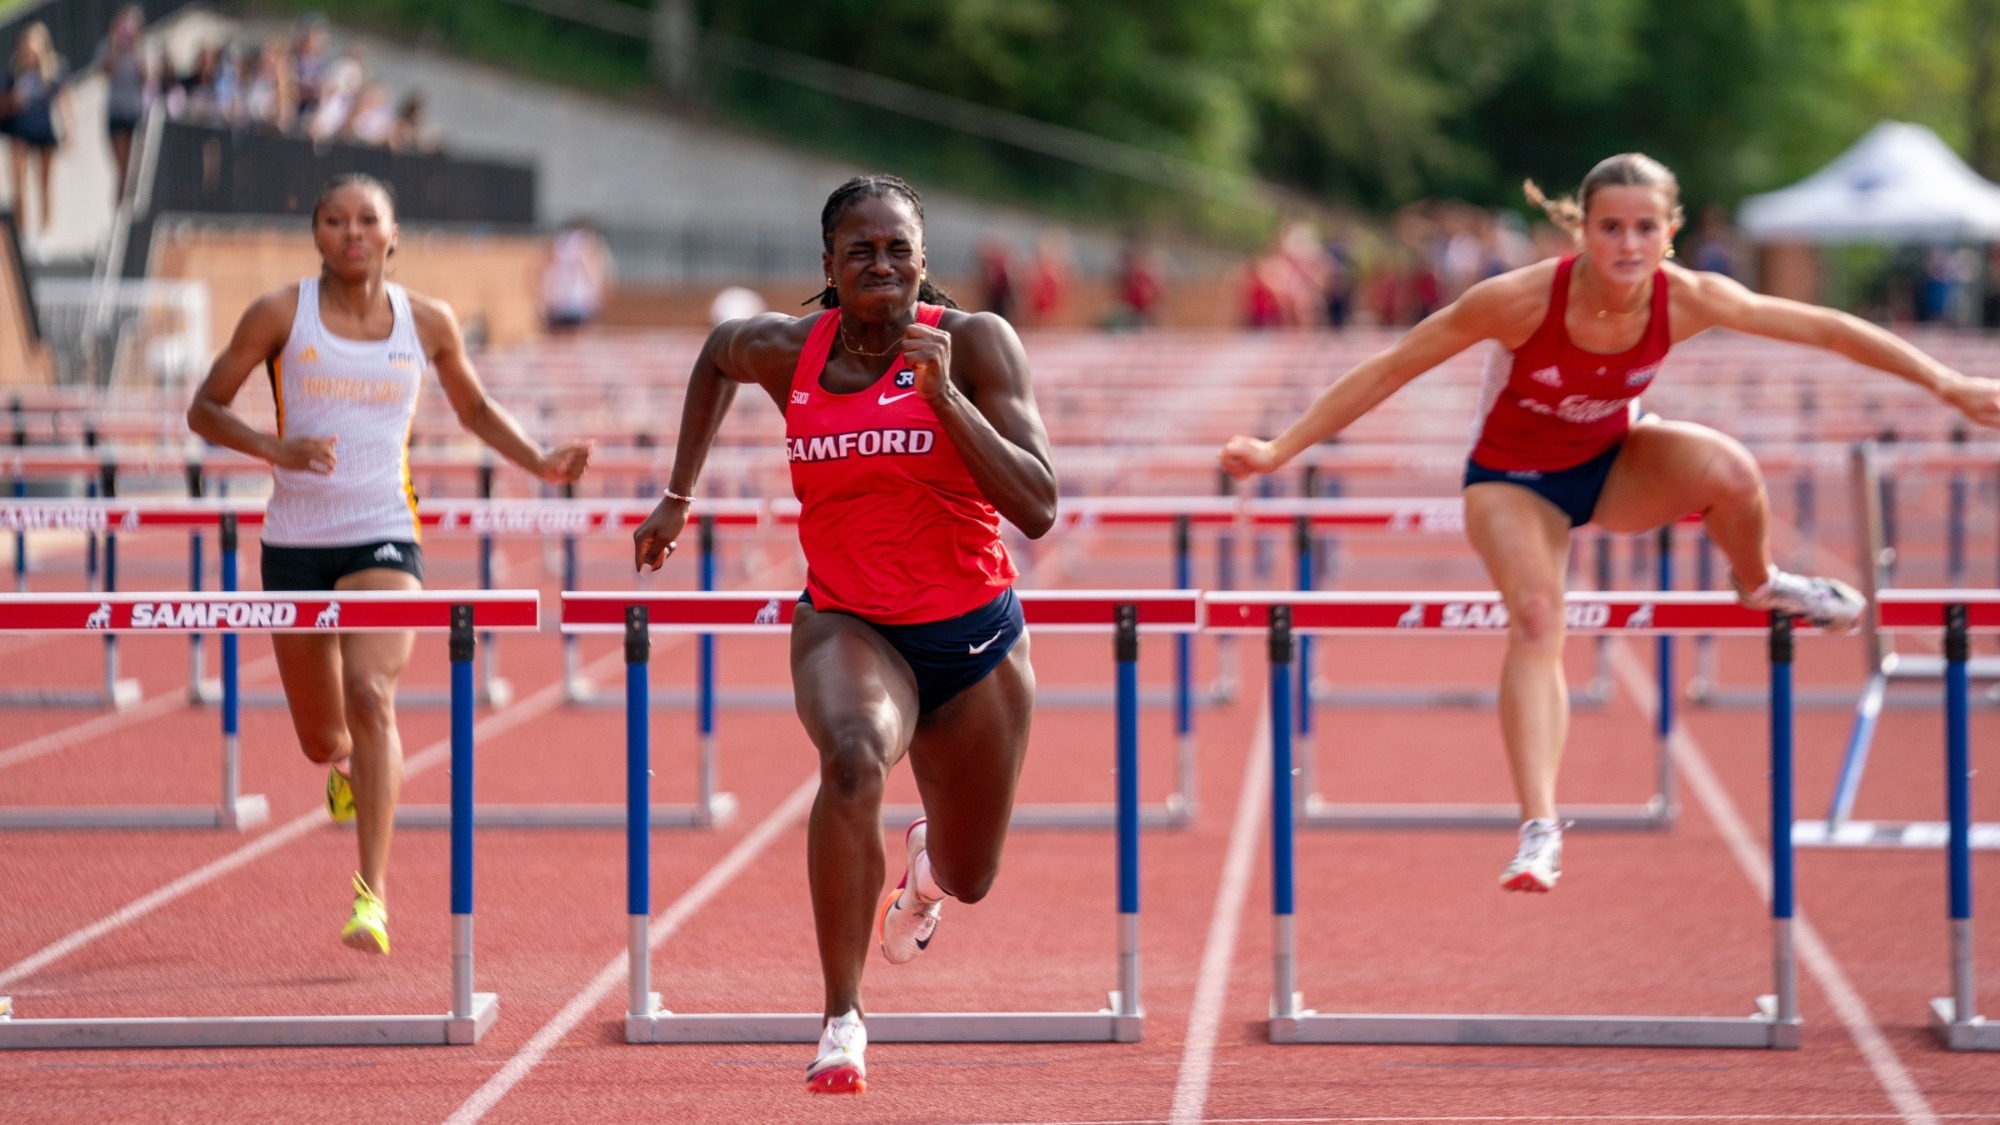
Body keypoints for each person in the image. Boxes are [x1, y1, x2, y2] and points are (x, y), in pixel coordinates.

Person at [1220, 153, 2000, 893]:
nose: (1628, 243)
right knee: (1536, 614)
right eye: (1611, 227)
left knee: (1732, 471)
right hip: (1511, 480)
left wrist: (1949, 383)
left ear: (1671, 230)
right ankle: (1540, 826)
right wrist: (1279, 447)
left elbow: (1828, 328)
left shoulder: (1690, 296)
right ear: (1581, 231)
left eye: (1644, 227)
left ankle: (1760, 584)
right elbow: (1390, 366)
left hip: (1613, 464)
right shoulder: (1521, 299)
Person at [631, 174, 1057, 1094]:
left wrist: (948, 400)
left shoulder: (974, 343)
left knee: (972, 874)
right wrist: (678, 493)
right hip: (850, 623)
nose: (881, 263)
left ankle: (924, 882)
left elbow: (1039, 505)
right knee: (854, 757)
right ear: (827, 265)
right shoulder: (792, 352)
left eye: (898, 248)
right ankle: (842, 1018)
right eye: (860, 250)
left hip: (976, 638)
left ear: (922, 262)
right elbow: (715, 356)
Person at [187, 174, 591, 954]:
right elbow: (205, 406)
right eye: (334, 220)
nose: (351, 232)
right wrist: (275, 448)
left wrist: (539, 461)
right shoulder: (280, 312)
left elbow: (471, 407)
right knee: (319, 735)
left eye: (365, 219)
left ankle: (370, 895)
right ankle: (339, 766)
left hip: (384, 533)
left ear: (392, 231)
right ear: (316, 234)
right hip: (295, 540)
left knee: (373, 695)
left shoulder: (427, 320)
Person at [4, 22, 68, 238]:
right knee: (18, 183)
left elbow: (63, 100)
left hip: (43, 130)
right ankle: (21, 231)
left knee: (44, 184)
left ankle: (45, 232)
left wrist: (68, 129)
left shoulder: (51, 71)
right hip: (20, 130)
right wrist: (14, 101)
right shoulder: (14, 71)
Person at [93, 5, 155, 205]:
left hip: (136, 113)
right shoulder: (110, 46)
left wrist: (135, 49)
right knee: (122, 169)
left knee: (133, 171)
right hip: (117, 113)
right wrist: (115, 47)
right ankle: (120, 212)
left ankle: (129, 210)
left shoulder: (143, 48)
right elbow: (104, 73)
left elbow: (147, 77)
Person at [538, 219, 614, 333]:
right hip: (562, 304)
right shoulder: (560, 249)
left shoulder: (591, 251)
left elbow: (602, 278)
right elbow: (539, 271)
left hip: (579, 305)